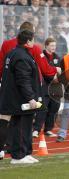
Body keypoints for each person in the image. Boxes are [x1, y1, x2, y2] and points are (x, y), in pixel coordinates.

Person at [0, 21, 60, 159]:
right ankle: (20, 153)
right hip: (24, 90)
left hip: (7, 87)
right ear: (29, 38)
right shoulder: (32, 50)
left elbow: (1, 65)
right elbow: (44, 69)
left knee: (6, 120)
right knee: (22, 122)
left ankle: (5, 149)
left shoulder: (7, 46)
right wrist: (55, 70)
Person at [0, 30, 43, 164]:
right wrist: (31, 98)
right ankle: (18, 156)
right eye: (33, 40)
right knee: (20, 125)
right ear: (28, 41)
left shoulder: (13, 53)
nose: (34, 42)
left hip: (14, 96)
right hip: (19, 98)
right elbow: (23, 79)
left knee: (24, 125)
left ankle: (25, 152)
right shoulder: (21, 56)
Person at [33, 37, 62, 138]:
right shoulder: (41, 56)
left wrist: (58, 76)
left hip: (55, 88)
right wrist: (53, 73)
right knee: (42, 108)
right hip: (44, 88)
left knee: (54, 108)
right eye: (51, 46)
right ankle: (36, 129)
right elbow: (43, 70)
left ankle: (48, 129)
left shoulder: (57, 57)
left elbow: (61, 72)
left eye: (54, 45)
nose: (54, 47)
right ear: (46, 46)